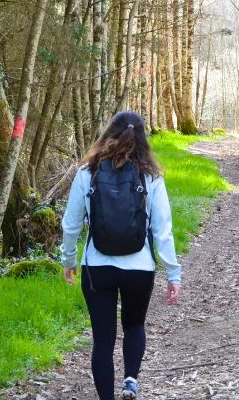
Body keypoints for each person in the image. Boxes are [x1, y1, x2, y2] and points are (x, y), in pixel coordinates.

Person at [61, 111, 181, 400]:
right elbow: (162, 230)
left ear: (107, 133)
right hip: (140, 268)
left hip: (97, 267)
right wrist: (173, 273)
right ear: (143, 139)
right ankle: (130, 381)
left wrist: (68, 261)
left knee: (102, 340)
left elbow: (71, 224)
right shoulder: (151, 176)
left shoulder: (87, 173)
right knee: (135, 325)